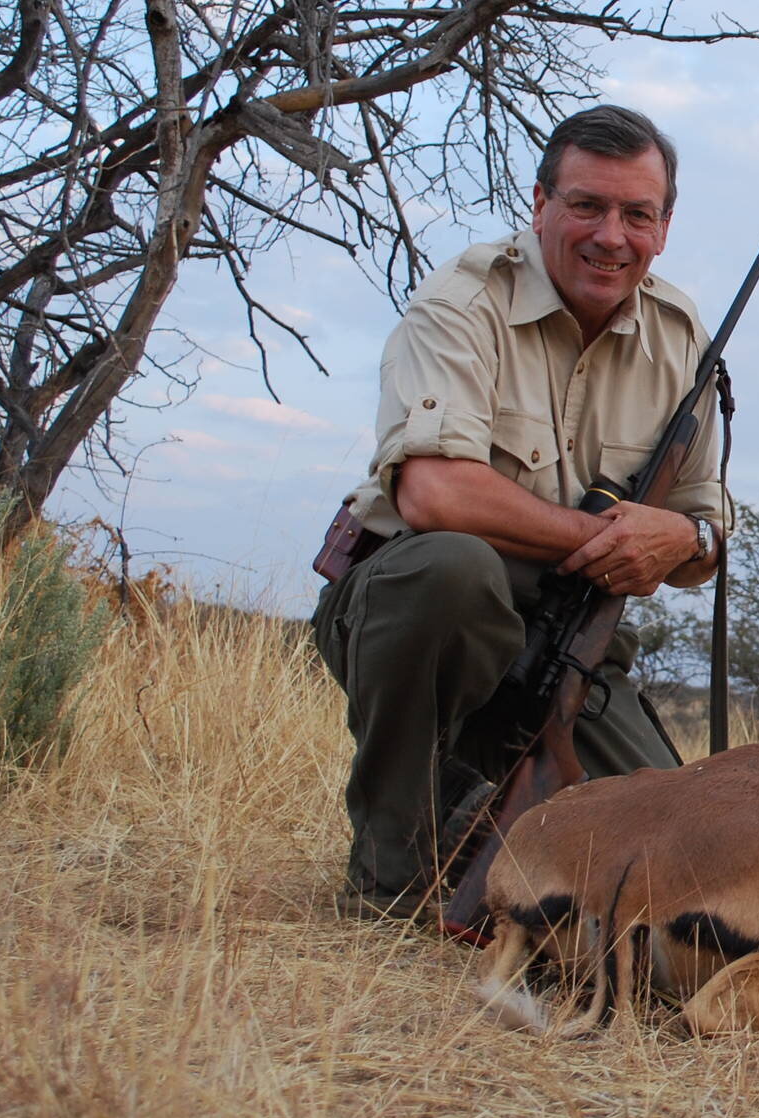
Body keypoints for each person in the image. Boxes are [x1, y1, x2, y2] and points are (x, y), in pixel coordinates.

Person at [310, 105, 730, 919]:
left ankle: (499, 838)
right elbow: (432, 492)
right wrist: (606, 540)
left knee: (685, 854)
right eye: (586, 206)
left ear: (664, 227)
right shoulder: (462, 302)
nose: (612, 235)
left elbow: (704, 533)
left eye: (636, 214)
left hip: (572, 649)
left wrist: (677, 536)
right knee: (453, 571)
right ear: (540, 204)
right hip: (422, 618)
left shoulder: (683, 340)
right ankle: (390, 876)